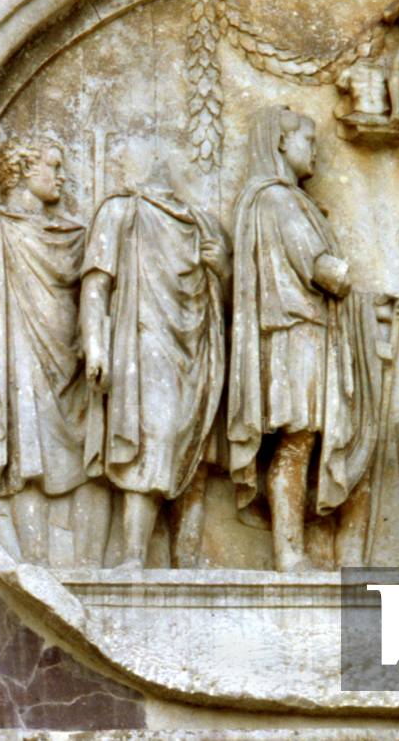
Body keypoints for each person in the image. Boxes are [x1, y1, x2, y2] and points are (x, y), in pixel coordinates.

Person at [228, 106, 397, 571]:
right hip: (295, 333)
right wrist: (352, 283)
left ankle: (294, 548)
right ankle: (288, 553)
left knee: (299, 441)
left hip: (296, 331)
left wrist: (370, 305)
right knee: (297, 440)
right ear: (281, 142)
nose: (314, 153)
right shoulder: (278, 201)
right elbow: (326, 273)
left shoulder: (266, 200)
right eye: (307, 141)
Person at [0, 137, 109, 566]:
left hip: (76, 357)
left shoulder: (75, 235)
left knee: (93, 461)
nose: (62, 175)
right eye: (53, 165)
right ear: (24, 170)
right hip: (21, 355)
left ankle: (90, 569)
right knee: (27, 463)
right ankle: (33, 565)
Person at [80, 138, 228, 569]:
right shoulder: (120, 211)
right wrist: (95, 345)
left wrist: (221, 267)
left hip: (199, 344)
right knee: (151, 439)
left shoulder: (202, 222)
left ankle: (187, 560)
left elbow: (235, 298)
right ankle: (133, 555)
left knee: (195, 447)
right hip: (145, 342)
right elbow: (95, 283)